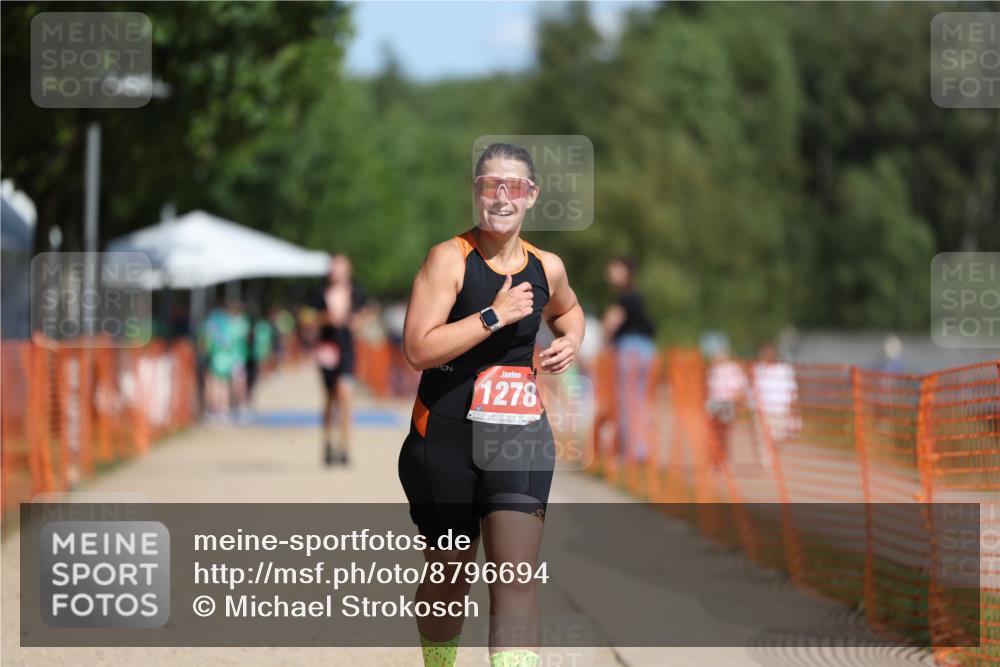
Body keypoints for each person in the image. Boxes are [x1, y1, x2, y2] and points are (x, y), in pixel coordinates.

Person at [399, 142, 584, 667]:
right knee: (449, 579)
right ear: (476, 192)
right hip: (446, 439)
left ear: (532, 195)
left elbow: (570, 313)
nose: (501, 196)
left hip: (518, 435)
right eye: (489, 185)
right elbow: (417, 348)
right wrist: (493, 316)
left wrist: (571, 341)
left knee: (515, 578)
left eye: (514, 186)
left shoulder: (548, 266)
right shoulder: (449, 259)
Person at [601, 257, 657, 464]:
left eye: (614, 270)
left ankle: (630, 452)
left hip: (629, 349)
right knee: (639, 401)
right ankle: (641, 449)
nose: (609, 274)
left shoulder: (624, 299)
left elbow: (611, 322)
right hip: (646, 349)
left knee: (627, 401)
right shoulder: (636, 296)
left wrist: (605, 343)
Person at [313, 254, 367, 466]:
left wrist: (357, 321)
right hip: (327, 349)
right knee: (329, 398)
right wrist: (327, 318)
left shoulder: (356, 293)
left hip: (346, 349)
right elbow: (308, 317)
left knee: (345, 395)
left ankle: (345, 446)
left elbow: (366, 312)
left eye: (340, 267)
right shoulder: (319, 294)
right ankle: (327, 443)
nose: (335, 271)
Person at [750, 342, 799, 467]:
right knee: (762, 437)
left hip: (780, 408)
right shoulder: (757, 369)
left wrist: (793, 409)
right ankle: (766, 463)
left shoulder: (785, 369)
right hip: (762, 409)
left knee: (778, 437)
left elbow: (792, 389)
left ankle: (773, 455)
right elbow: (754, 389)